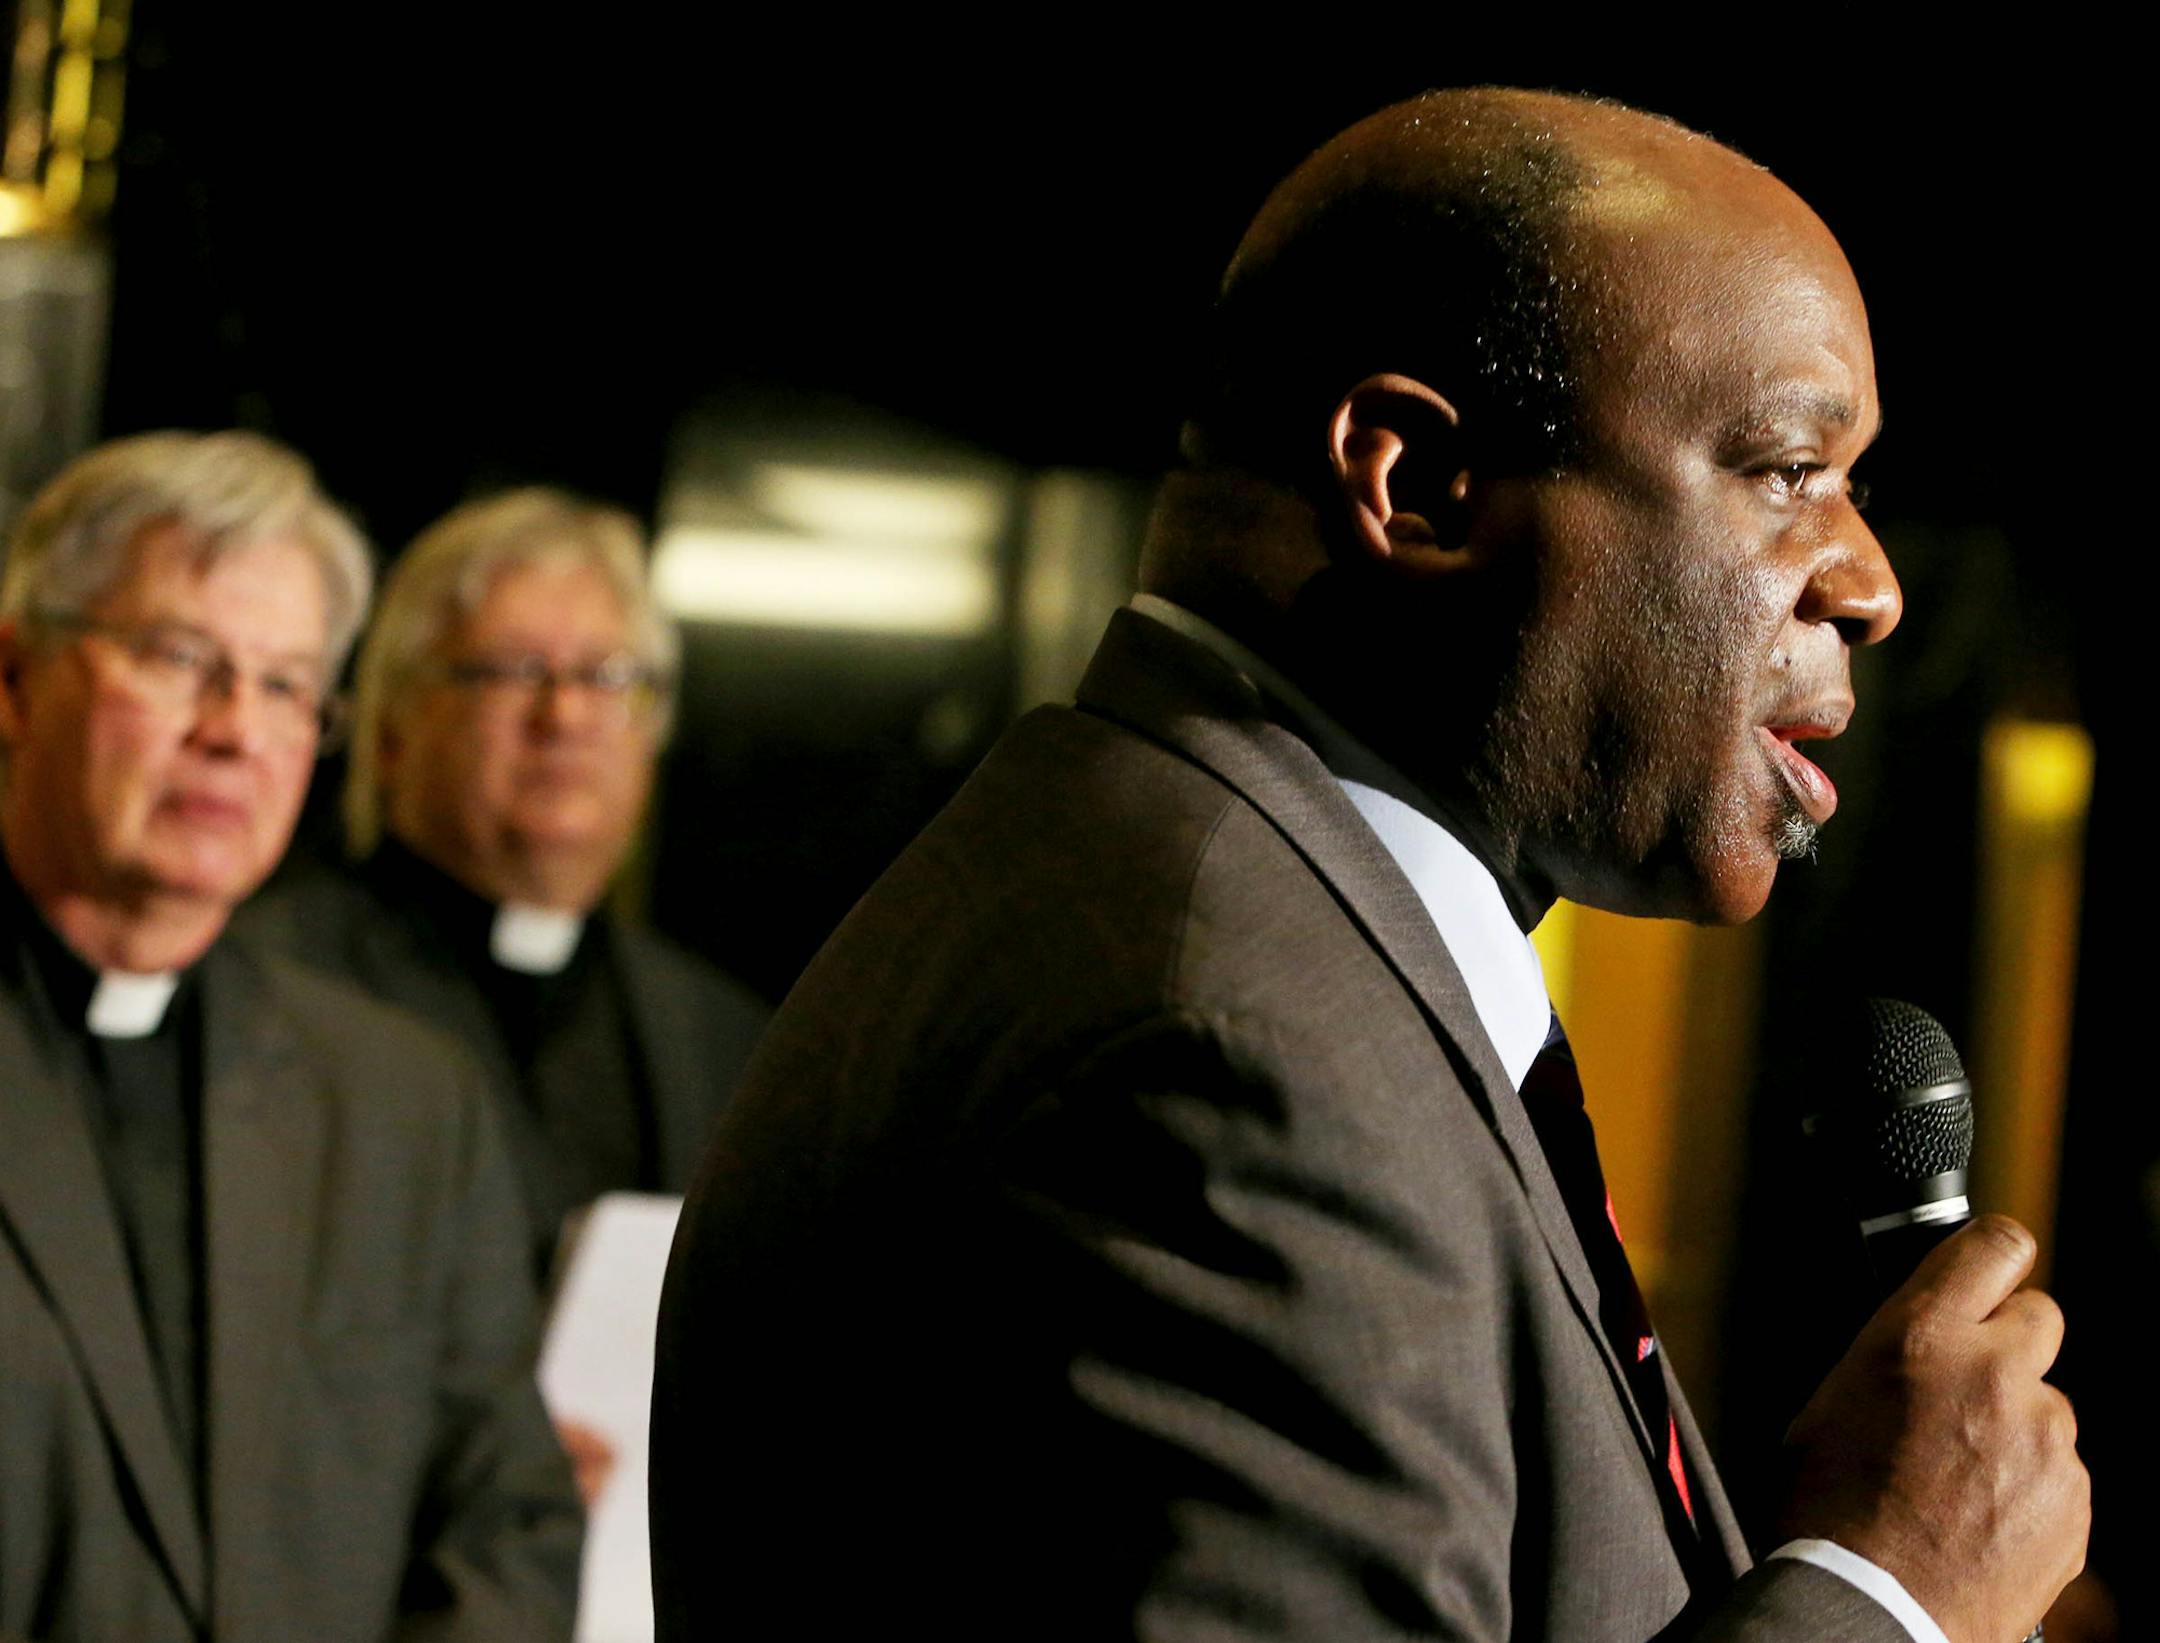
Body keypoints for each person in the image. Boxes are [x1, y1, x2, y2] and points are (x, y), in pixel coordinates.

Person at [650, 89, 2087, 1642]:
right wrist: (1884, 1596)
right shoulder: (1224, 1057)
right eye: (1784, 470)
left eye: (1858, 485)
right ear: (1413, 485)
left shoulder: (1217, 916)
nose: (1867, 583)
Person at [0, 432, 581, 1642]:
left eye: (284, 684)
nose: (233, 729)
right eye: (178, 656)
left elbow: (505, 1522)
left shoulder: (401, 1100)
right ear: (14, 677)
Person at [241, 487, 768, 1288]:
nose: (565, 716)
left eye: (607, 676)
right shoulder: (261, 980)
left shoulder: (726, 1038)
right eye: (516, 670)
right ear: (391, 731)